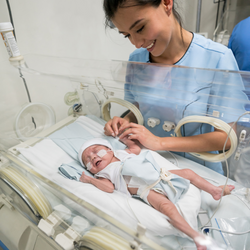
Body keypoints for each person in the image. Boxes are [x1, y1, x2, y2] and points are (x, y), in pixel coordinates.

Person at [102, 0, 248, 175]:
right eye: (127, 35)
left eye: (140, 28)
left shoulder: (217, 58)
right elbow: (139, 108)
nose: (137, 43)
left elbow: (226, 137)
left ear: (166, 4)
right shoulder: (137, 60)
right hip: (150, 163)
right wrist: (125, 121)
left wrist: (160, 142)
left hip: (199, 171)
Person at [78, 137, 234, 250]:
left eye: (96, 151)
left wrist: (128, 141)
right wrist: (90, 180)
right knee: (166, 207)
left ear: (110, 150)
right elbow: (109, 188)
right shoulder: (102, 173)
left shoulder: (121, 153)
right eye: (88, 161)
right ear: (90, 169)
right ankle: (196, 236)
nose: (93, 157)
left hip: (160, 173)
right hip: (145, 188)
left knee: (187, 172)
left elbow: (136, 150)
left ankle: (214, 190)